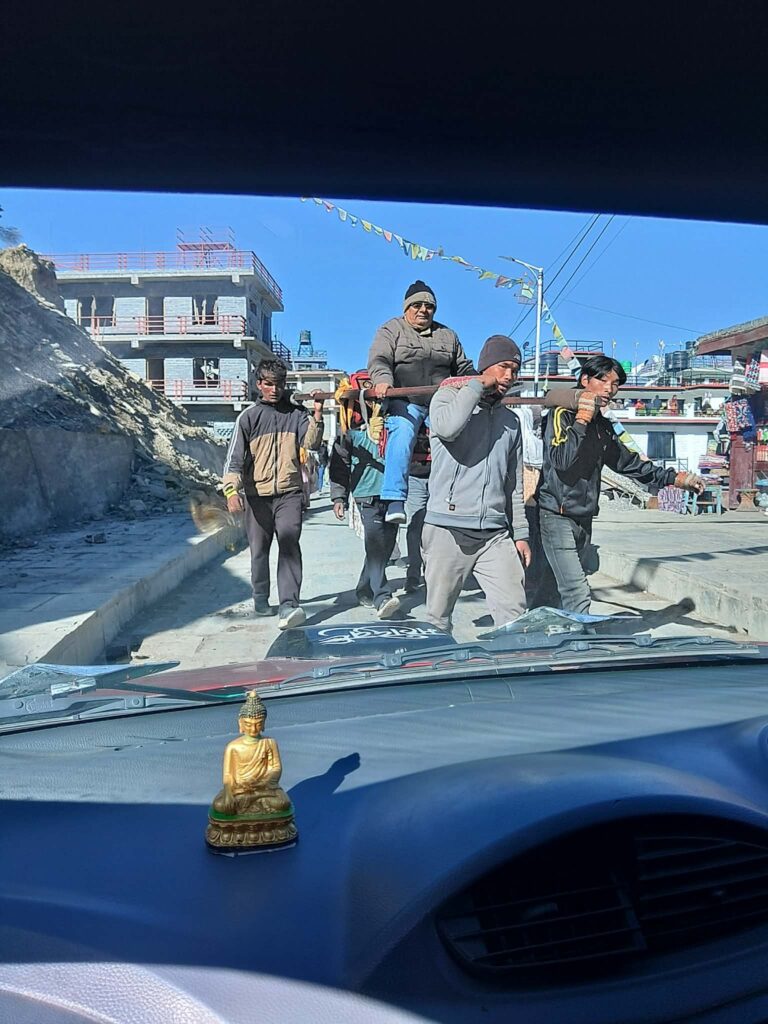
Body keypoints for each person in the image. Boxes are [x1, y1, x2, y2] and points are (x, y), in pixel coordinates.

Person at [539, 355, 705, 614]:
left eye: (615, 384)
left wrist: (676, 479)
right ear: (585, 380)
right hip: (556, 514)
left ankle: (541, 634)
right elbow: (561, 460)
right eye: (602, 380)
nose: (609, 388)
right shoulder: (562, 414)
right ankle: (581, 646)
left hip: (584, 517)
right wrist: (582, 418)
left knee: (552, 587)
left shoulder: (603, 426)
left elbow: (629, 464)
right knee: (576, 591)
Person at [421, 335, 530, 632]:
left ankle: (513, 672)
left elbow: (513, 483)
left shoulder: (511, 421)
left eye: (515, 370)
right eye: (504, 367)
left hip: (494, 534)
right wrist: (475, 385)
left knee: (515, 615)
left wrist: (520, 533)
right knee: (438, 618)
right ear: (485, 368)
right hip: (447, 527)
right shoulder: (447, 399)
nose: (509, 376)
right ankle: (438, 673)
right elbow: (448, 428)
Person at [222, 358, 325, 629]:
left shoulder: (296, 414)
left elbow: (311, 443)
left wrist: (316, 414)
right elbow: (233, 460)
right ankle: (260, 596)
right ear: (259, 384)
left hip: (289, 493)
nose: (275, 389)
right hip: (257, 496)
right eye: (269, 384)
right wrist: (231, 490)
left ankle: (289, 604)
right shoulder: (248, 417)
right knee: (259, 550)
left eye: (279, 384)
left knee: (290, 544)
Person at [367, 280, 474, 524]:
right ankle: (394, 497)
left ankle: (457, 491)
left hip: (441, 401)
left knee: (453, 432)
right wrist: (383, 381)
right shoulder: (391, 330)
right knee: (403, 431)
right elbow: (379, 360)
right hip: (406, 400)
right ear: (406, 308)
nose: (423, 310)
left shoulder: (448, 335)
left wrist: (481, 381)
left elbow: (463, 367)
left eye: (429, 306)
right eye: (417, 305)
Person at [329, 370, 401, 619]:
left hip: (393, 496)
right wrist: (339, 497)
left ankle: (364, 589)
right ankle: (383, 596)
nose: (373, 403)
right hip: (365, 495)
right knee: (374, 543)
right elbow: (339, 464)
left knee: (385, 547)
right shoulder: (349, 429)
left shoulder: (393, 423)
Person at [404, 425, 430, 593]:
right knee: (415, 527)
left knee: (438, 530)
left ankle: (432, 573)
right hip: (415, 474)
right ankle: (413, 573)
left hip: (440, 474)